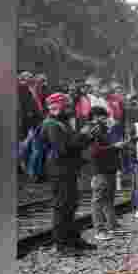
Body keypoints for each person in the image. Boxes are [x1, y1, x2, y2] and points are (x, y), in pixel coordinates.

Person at [40, 93, 96, 255]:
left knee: (71, 205)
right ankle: (62, 245)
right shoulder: (51, 125)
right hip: (59, 170)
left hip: (67, 169)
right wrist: (83, 135)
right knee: (62, 206)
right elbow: (63, 149)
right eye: (67, 107)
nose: (70, 109)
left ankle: (73, 239)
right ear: (58, 108)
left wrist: (88, 136)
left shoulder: (61, 123)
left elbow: (73, 144)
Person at [85, 106, 131, 242]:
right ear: (96, 117)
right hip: (100, 170)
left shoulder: (103, 130)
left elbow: (104, 148)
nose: (106, 119)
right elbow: (94, 151)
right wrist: (115, 147)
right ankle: (99, 230)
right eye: (104, 117)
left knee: (108, 199)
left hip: (109, 168)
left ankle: (113, 226)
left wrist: (117, 145)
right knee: (98, 200)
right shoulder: (92, 130)